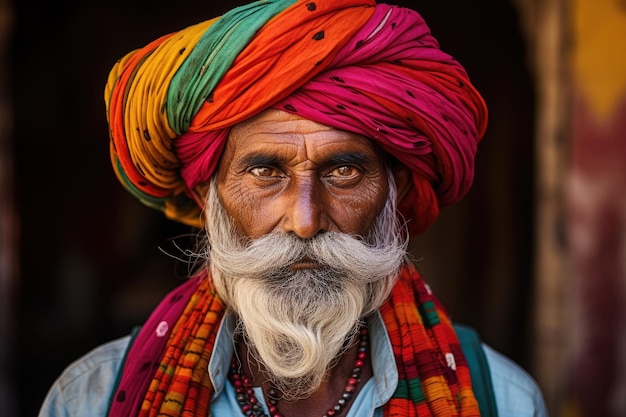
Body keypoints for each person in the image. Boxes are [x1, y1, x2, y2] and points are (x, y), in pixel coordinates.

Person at [39, 0, 548, 416]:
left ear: (392, 194)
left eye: (343, 172)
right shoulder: (88, 399)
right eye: (264, 173)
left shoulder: (503, 401)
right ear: (207, 196)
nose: (305, 220)